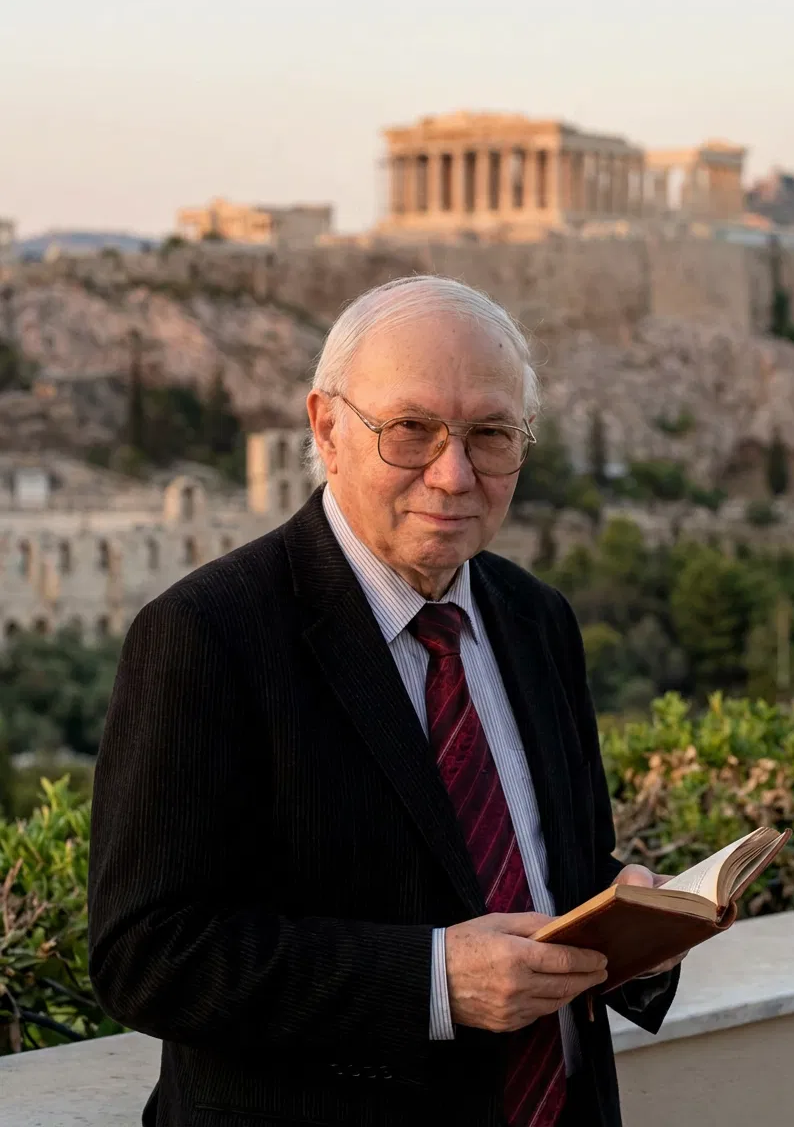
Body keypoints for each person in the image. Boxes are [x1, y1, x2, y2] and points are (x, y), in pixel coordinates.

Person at [88, 276, 682, 1127]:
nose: (454, 473)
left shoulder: (536, 619)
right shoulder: (207, 634)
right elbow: (147, 955)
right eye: (410, 431)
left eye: (490, 434)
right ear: (327, 428)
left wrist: (637, 926)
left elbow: (552, 871)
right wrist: (435, 980)